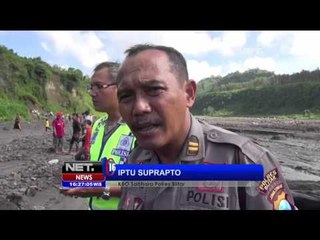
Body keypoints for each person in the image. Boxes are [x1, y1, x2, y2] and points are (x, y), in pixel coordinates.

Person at [116, 44, 297, 210]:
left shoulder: (243, 161)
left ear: (189, 94)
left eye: (154, 89)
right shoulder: (136, 160)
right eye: (125, 96)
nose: (139, 107)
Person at [62, 62, 136, 210]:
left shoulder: (138, 128)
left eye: (99, 86)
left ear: (120, 87)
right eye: (91, 87)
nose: (92, 92)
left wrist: (102, 189)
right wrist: (76, 178)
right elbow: (97, 166)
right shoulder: (98, 124)